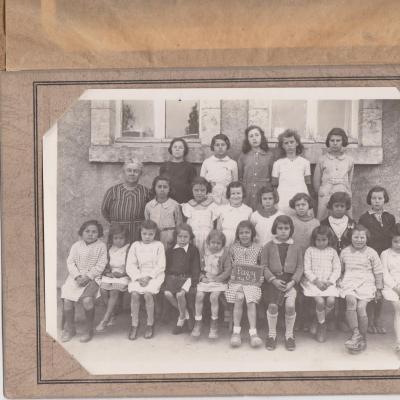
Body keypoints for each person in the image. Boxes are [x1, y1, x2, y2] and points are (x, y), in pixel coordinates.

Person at [261, 215, 303, 351]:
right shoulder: (268, 246)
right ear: (275, 229)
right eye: (280, 228)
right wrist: (273, 280)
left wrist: (293, 282)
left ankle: (289, 335)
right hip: (273, 282)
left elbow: (300, 267)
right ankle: (272, 334)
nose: (283, 231)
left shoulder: (296, 247)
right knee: (273, 306)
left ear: (290, 230)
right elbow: (264, 266)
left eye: (286, 228)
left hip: (290, 282)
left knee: (290, 306)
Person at [60, 220, 107, 343]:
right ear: (82, 232)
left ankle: (88, 329)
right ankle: (70, 329)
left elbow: (101, 265)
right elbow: (70, 262)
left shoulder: (101, 246)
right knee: (67, 300)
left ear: (99, 233)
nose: (90, 234)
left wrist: (88, 276)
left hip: (92, 278)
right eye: (87, 231)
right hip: (76, 277)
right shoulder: (76, 245)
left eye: (94, 232)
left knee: (87, 300)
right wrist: (77, 276)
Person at [339, 224, 384, 353]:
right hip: (349, 281)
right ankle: (356, 333)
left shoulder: (372, 252)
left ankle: (363, 337)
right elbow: (341, 270)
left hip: (367, 282)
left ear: (367, 238)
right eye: (356, 237)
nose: (359, 240)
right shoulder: (345, 251)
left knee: (360, 307)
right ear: (351, 238)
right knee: (351, 302)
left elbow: (378, 272)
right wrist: (338, 280)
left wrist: (379, 288)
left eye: (362, 237)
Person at [359, 186, 396, 334]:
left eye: (380, 198)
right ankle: (368, 320)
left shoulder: (389, 217)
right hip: (370, 256)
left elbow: (393, 237)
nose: (377, 201)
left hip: (384, 256)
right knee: (370, 287)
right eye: (374, 198)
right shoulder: (364, 218)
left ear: (384, 199)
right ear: (370, 200)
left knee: (381, 288)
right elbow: (363, 238)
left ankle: (377, 319)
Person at [225, 221, 264, 348]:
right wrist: (234, 278)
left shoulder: (258, 248)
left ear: (252, 233)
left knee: (250, 300)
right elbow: (230, 266)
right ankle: (236, 332)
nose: (244, 235)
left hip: (252, 282)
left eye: (247, 232)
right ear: (237, 235)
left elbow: (261, 266)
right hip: (236, 281)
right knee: (239, 297)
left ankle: (253, 333)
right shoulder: (233, 248)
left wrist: (259, 279)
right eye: (241, 233)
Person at [320, 191, 355, 331]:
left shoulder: (352, 223)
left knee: (343, 286)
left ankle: (341, 317)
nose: (339, 209)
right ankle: (329, 319)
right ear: (330, 207)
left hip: (347, 260)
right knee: (331, 288)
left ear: (346, 207)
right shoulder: (324, 223)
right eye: (336, 206)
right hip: (329, 260)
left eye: (342, 206)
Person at [126, 220, 166, 340]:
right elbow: (130, 265)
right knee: (134, 294)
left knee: (148, 294)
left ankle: (150, 323)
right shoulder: (135, 245)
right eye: (144, 234)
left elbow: (161, 265)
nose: (147, 237)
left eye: (151, 234)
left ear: (155, 234)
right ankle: (134, 324)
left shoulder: (159, 245)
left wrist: (148, 277)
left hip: (154, 275)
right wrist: (138, 277)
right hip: (139, 275)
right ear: (140, 233)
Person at [301, 225, 341, 342]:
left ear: (329, 240)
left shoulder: (332, 252)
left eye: (324, 240)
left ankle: (316, 320)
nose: (321, 242)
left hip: (328, 282)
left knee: (331, 301)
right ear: (314, 240)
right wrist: (316, 281)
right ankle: (322, 325)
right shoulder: (310, 251)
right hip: (313, 283)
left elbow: (337, 269)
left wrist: (330, 281)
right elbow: (307, 269)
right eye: (318, 240)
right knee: (320, 301)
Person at [191, 230, 231, 340]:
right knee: (199, 296)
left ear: (222, 244)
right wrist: (202, 277)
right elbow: (199, 268)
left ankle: (214, 323)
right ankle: (198, 322)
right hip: (206, 279)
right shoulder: (204, 251)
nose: (215, 245)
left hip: (219, 281)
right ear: (208, 242)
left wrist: (218, 278)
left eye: (218, 243)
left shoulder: (224, 253)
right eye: (213, 242)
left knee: (214, 297)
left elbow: (228, 270)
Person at [289, 192, 320, 332]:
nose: (301, 207)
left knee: (309, 292)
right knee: (296, 293)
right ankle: (297, 319)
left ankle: (308, 319)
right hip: (294, 260)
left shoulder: (315, 222)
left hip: (310, 261)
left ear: (309, 206)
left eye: (304, 204)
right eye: (298, 205)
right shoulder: (291, 220)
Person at [101, 158, 150, 243]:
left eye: (136, 171)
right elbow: (105, 210)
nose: (132, 173)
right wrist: (116, 223)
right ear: (124, 172)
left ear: (140, 174)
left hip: (138, 232)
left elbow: (150, 211)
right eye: (129, 170)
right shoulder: (113, 191)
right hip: (118, 232)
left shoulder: (146, 192)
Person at [163, 223, 201, 334]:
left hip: (187, 278)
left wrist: (194, 282)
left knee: (180, 294)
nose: (183, 239)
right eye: (180, 237)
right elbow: (166, 267)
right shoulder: (170, 251)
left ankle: (180, 320)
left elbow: (195, 268)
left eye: (186, 237)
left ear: (190, 238)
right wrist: (166, 279)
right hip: (172, 278)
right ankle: (186, 314)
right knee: (167, 294)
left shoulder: (193, 250)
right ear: (175, 237)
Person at [313, 128, 354, 220]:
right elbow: (316, 181)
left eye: (338, 140)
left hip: (342, 191)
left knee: (346, 218)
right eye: (332, 140)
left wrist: (347, 191)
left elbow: (350, 180)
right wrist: (322, 192)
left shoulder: (349, 160)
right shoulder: (322, 159)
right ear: (328, 142)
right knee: (323, 217)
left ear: (343, 141)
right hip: (326, 193)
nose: (335, 143)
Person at [96, 224, 130, 332]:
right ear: (112, 238)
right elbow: (106, 265)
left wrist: (124, 273)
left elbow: (133, 265)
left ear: (126, 238)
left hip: (124, 275)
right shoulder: (110, 249)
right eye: (116, 238)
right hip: (112, 275)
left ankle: (105, 319)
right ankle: (112, 313)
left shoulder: (128, 249)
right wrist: (108, 272)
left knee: (114, 291)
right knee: (103, 290)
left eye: (121, 238)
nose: (118, 241)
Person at [271, 129, 313, 215]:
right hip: (283, 196)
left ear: (297, 143)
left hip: (300, 194)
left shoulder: (305, 162)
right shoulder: (278, 163)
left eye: (292, 142)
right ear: (282, 145)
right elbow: (274, 184)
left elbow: (308, 183)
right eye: (286, 143)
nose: (289, 145)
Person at [238, 125, 275, 210]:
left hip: (264, 192)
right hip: (248, 192)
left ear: (261, 137)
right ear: (248, 140)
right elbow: (240, 176)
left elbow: (272, 175)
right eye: (251, 136)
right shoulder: (243, 156)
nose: (254, 138)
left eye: (257, 135)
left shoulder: (269, 155)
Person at [145, 175, 183, 250]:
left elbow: (179, 224)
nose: (162, 189)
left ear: (169, 189)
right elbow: (147, 223)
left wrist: (175, 238)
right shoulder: (149, 206)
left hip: (170, 238)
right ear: (154, 188)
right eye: (159, 187)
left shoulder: (175, 205)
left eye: (165, 187)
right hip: (154, 236)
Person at [182, 176, 219, 251]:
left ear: (207, 191)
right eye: (196, 190)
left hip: (207, 237)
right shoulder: (188, 206)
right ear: (192, 190)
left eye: (202, 190)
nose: (199, 193)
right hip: (192, 238)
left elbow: (216, 225)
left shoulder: (212, 206)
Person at [200, 133, 238, 205]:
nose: (220, 147)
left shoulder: (232, 163)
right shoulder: (207, 162)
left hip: (226, 198)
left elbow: (234, 184)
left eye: (223, 145)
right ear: (213, 147)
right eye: (217, 145)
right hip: (210, 197)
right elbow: (202, 183)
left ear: (227, 146)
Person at [159, 138, 197, 204]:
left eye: (180, 147)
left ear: (184, 150)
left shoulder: (190, 167)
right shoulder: (164, 166)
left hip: (185, 202)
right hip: (168, 202)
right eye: (175, 147)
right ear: (171, 149)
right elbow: (160, 185)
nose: (177, 149)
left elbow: (194, 186)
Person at [381, 224, 400, 354]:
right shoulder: (385, 254)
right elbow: (384, 273)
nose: (399, 244)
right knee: (399, 307)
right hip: (391, 287)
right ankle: (399, 341)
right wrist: (396, 287)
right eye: (396, 242)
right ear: (391, 241)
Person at [216, 181, 252, 248]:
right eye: (233, 193)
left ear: (243, 194)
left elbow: (250, 229)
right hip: (225, 241)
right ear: (229, 195)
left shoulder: (248, 210)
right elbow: (219, 229)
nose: (236, 196)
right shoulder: (222, 209)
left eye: (238, 193)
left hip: (241, 241)